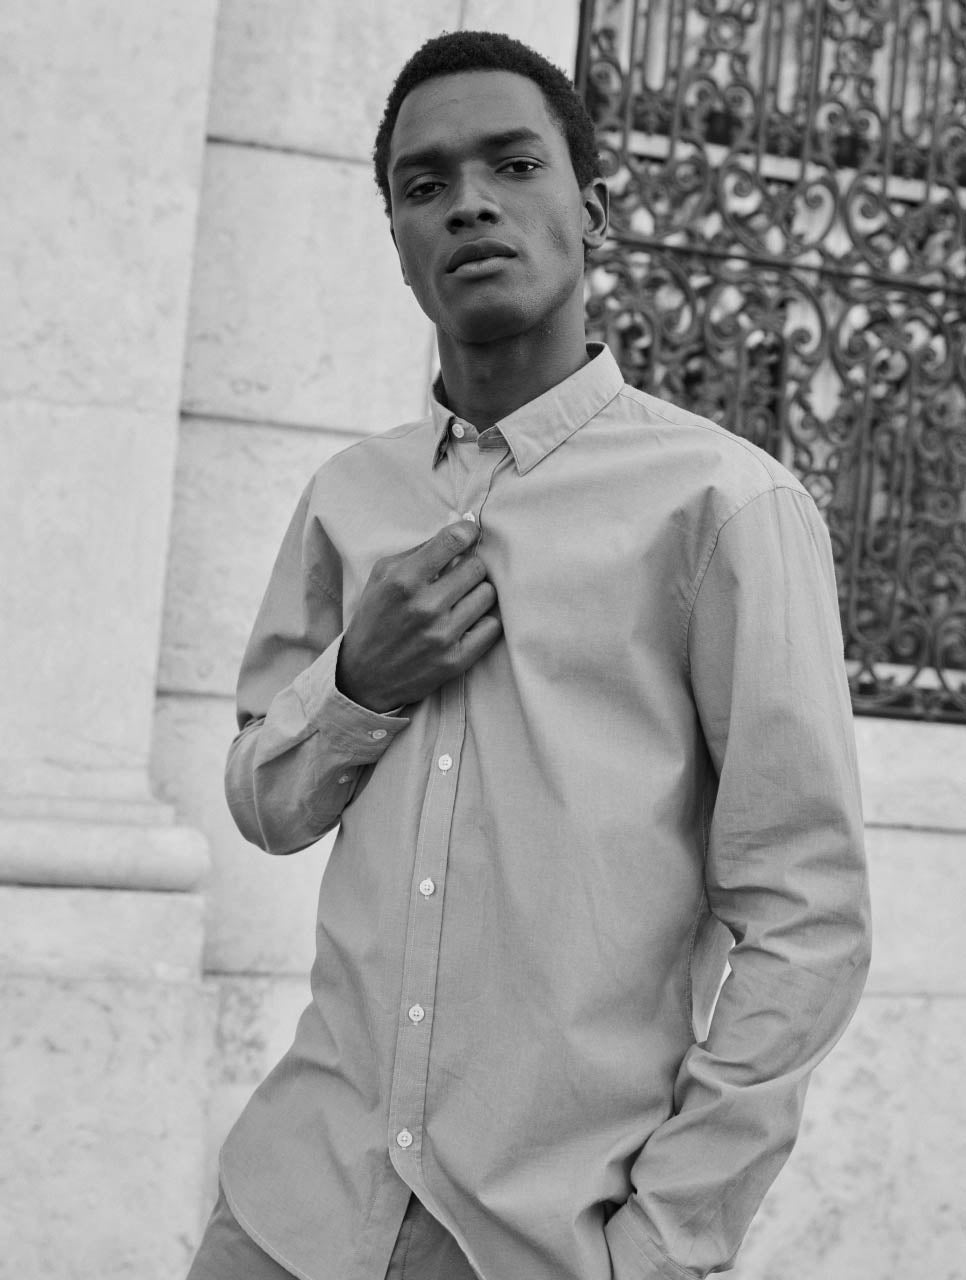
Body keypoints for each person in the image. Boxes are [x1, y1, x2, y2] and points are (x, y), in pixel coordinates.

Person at [186, 29, 871, 1280]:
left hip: (537, 1236)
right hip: (290, 1208)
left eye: (512, 164)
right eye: (426, 184)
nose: (470, 204)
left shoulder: (725, 508)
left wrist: (663, 1243)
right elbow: (264, 801)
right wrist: (359, 684)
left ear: (592, 209)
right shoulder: (349, 497)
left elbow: (806, 915)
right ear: (398, 237)